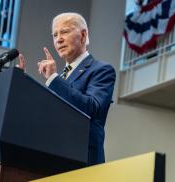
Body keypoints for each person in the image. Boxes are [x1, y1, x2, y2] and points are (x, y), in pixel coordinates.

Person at [18, 12, 116, 166]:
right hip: (49, 158)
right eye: (55, 34)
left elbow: (92, 108)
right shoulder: (59, 78)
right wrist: (22, 84)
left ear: (83, 35)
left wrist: (53, 79)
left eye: (64, 32)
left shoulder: (101, 70)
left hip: (81, 162)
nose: (58, 39)